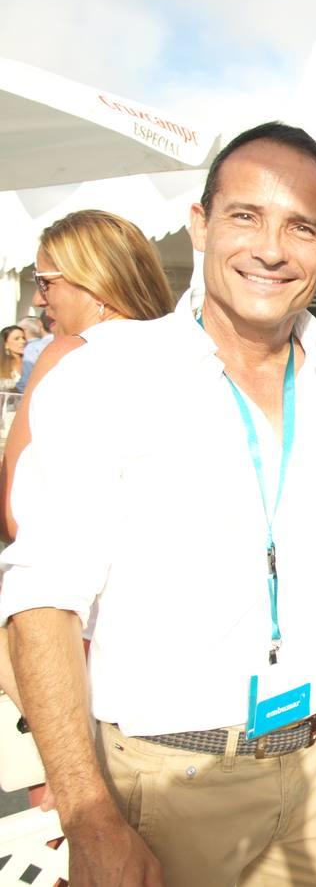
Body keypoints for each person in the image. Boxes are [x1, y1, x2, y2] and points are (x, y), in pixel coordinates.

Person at [0, 122, 316, 887]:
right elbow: (40, 602)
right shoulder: (109, 376)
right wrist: (88, 814)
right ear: (198, 224)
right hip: (173, 783)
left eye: (299, 226)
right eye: (244, 216)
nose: (270, 248)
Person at [0, 209, 174, 811]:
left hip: (83, 635)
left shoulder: (68, 358)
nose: (39, 297)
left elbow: (16, 514)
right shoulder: (190, 356)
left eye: (45, 280)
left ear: (91, 281)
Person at [0, 325, 25, 390]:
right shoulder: (2, 365)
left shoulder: (31, 362)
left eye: (24, 338)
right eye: (17, 339)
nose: (22, 342)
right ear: (6, 344)